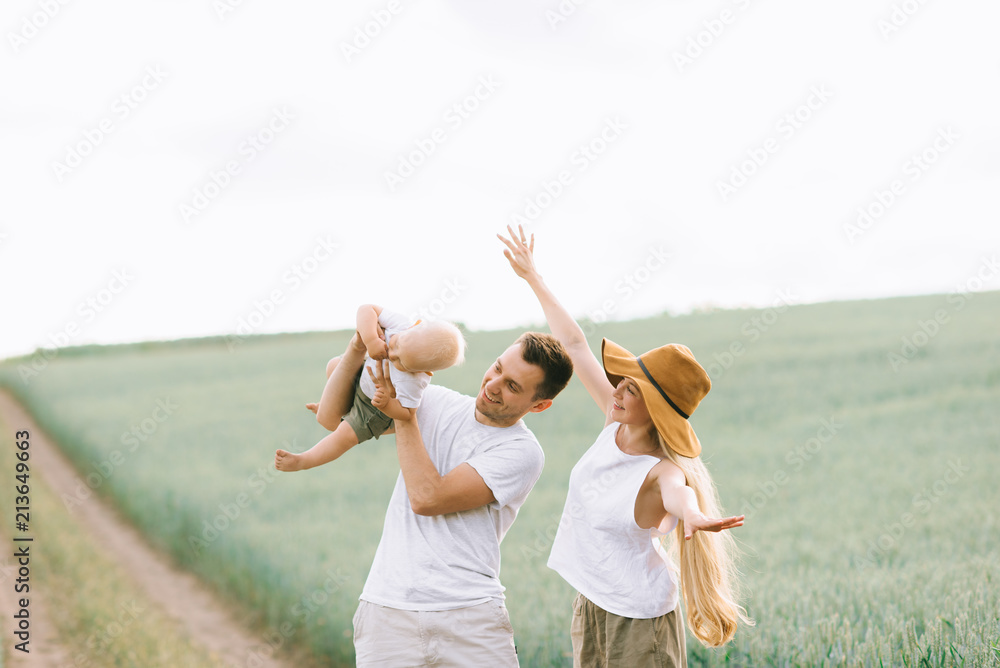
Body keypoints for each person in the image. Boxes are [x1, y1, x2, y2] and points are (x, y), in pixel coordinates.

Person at [499, 225, 752, 667]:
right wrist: (532, 277)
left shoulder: (661, 470)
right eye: (621, 382)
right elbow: (575, 346)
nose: (616, 390)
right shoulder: (611, 424)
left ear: (654, 410)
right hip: (593, 603)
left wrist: (691, 514)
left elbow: (679, 492)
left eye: (631, 389)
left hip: (639, 623)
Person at [352, 329, 574, 666]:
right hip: (387, 611)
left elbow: (428, 498)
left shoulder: (522, 452)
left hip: (470, 618)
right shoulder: (436, 401)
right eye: (498, 368)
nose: (494, 384)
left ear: (539, 405)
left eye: (513, 386)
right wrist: (368, 346)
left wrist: (406, 413)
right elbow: (348, 394)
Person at [274, 304, 465, 472]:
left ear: (424, 371)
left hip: (373, 408)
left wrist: (387, 404)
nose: (391, 352)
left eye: (400, 361)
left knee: (344, 436)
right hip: (363, 374)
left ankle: (304, 460)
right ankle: (334, 408)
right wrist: (372, 339)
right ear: (414, 326)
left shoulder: (415, 382)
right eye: (398, 343)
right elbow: (367, 309)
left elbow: (407, 412)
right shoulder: (401, 324)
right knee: (333, 366)